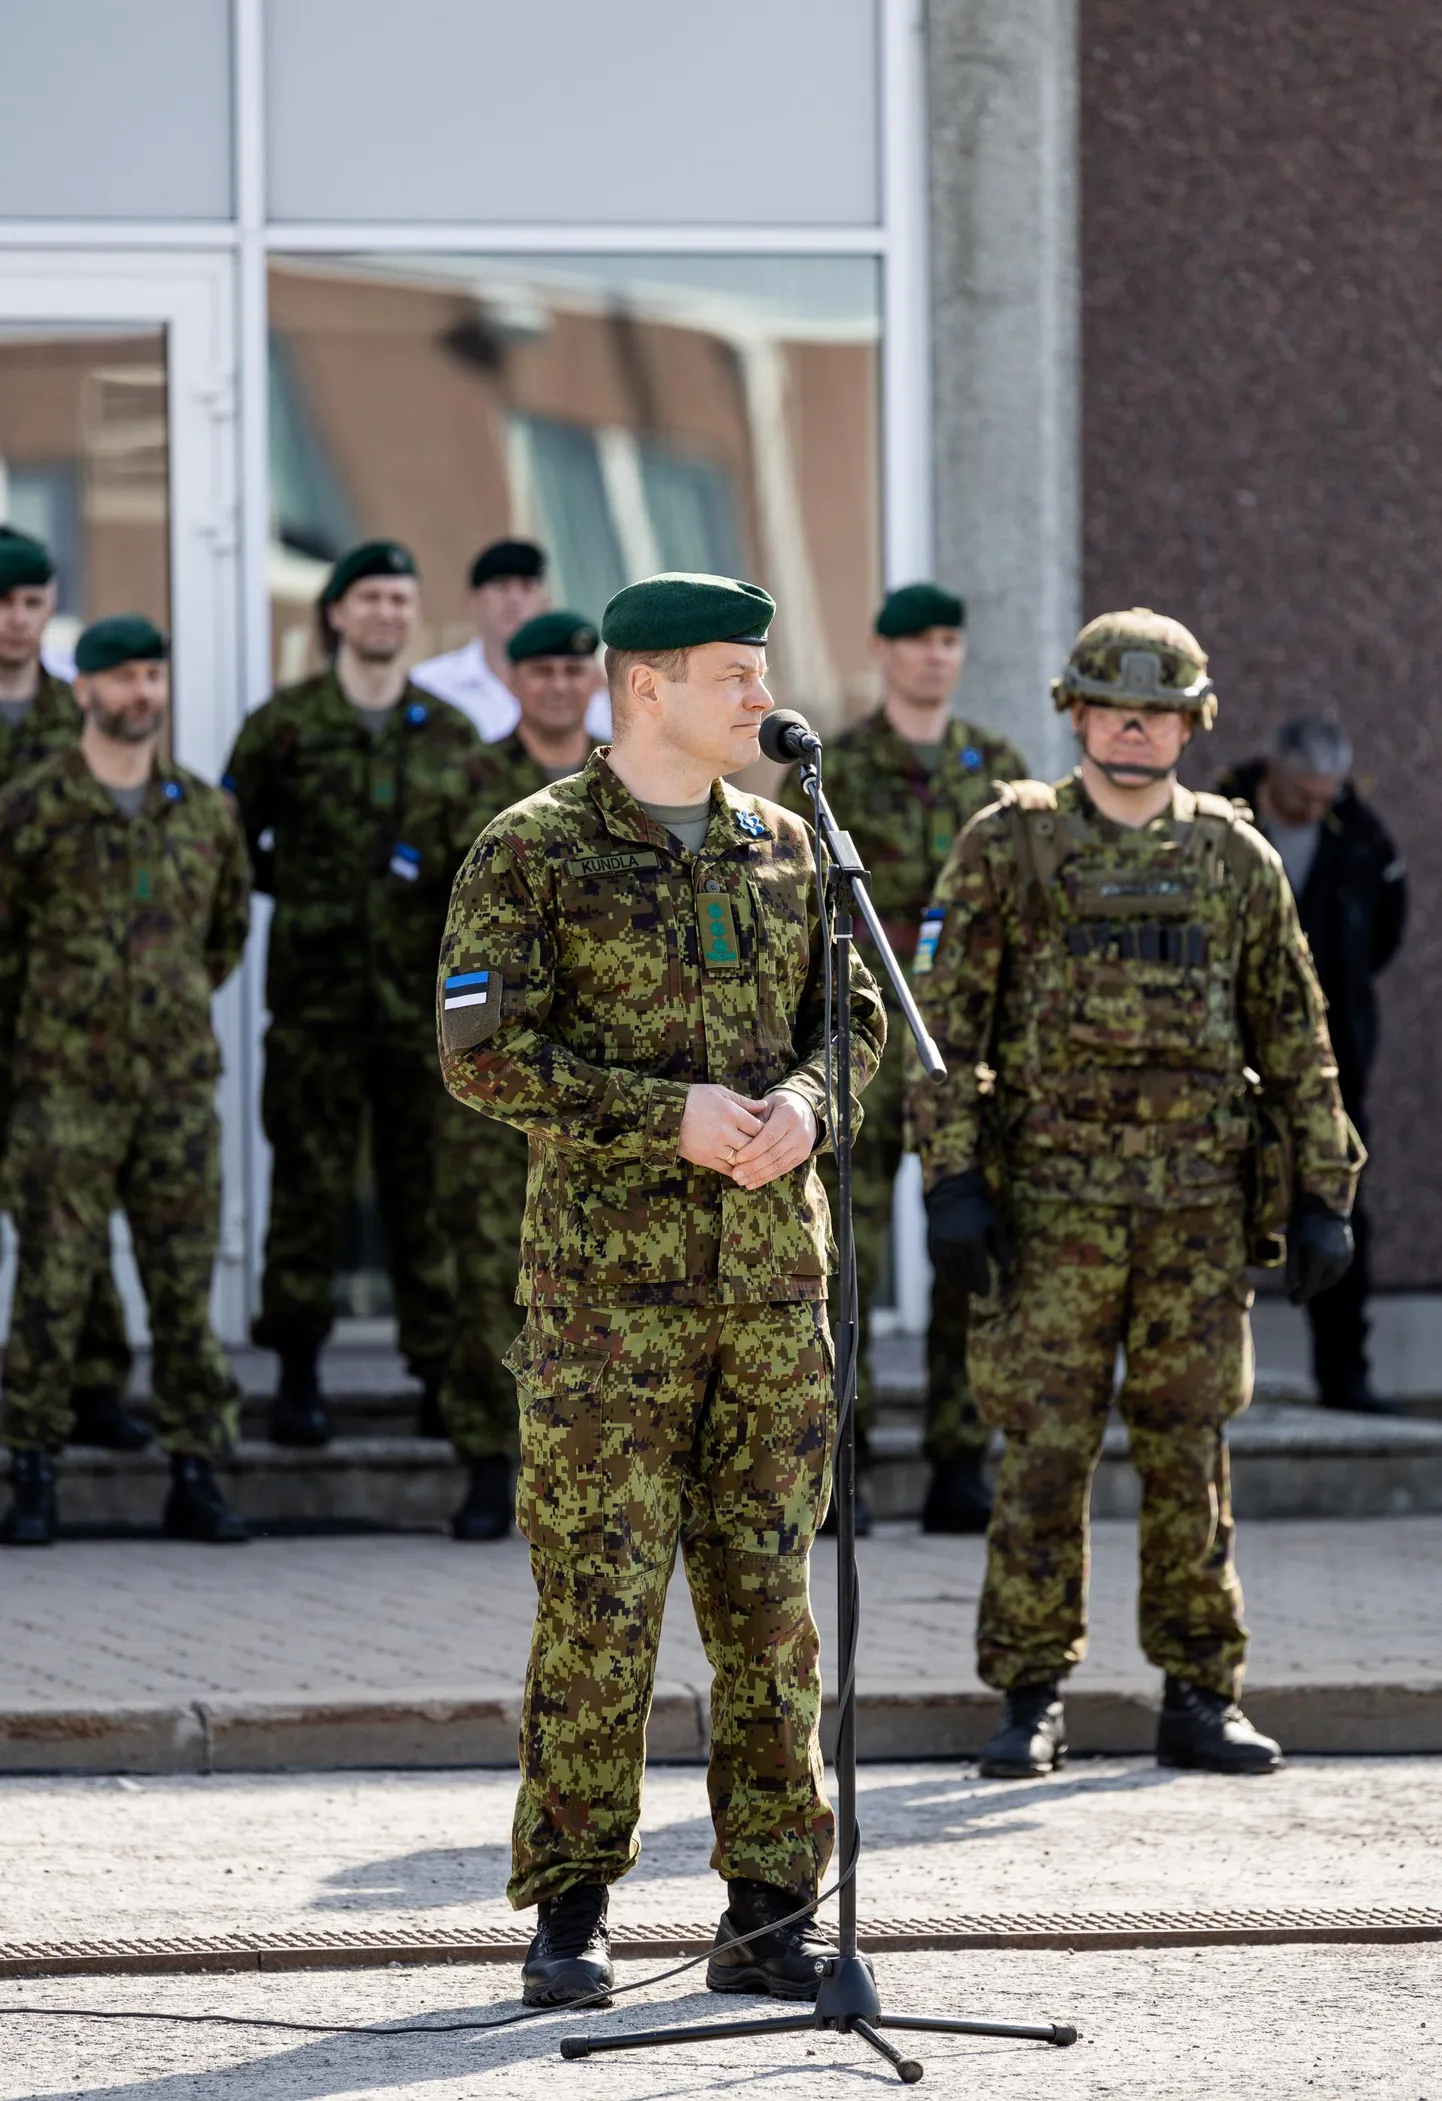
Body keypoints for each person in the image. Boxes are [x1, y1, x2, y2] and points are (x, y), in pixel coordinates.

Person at [438, 571, 885, 2007]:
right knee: (600, 1607)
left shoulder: (789, 840)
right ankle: (569, 1913)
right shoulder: (533, 849)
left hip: (768, 1293)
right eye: (732, 676)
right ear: (645, 688)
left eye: (760, 674)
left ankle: (769, 1916)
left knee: (770, 1608)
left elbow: (855, 1016)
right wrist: (663, 1114)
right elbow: (478, 1053)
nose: (764, 699)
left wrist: (812, 1105)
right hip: (604, 1308)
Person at [911, 608, 1360, 1780]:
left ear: (1189, 724)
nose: (1130, 727)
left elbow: (1296, 1032)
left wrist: (1325, 1187)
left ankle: (1198, 1691)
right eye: (1110, 706)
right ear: (1071, 713)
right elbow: (942, 1026)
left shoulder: (1231, 857)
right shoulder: (1007, 845)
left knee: (1187, 1448)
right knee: (1042, 1452)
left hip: (1195, 1214)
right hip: (1050, 1206)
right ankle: (1027, 1690)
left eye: (1155, 711)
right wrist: (950, 1177)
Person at [224, 541, 490, 1445]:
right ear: (335, 612)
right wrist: (297, 890)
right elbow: (226, 845)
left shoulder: (450, 735)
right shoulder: (283, 727)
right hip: (316, 1003)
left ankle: (435, 1373)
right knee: (309, 1187)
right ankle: (297, 1371)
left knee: (428, 1191)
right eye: (369, 596)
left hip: (424, 1014)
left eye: (400, 597)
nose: (385, 612)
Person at [780, 582, 1026, 1535]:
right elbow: (789, 902)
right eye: (916, 642)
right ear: (882, 654)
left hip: (962, 1045)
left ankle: (959, 1457)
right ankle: (847, 1458)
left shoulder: (995, 768)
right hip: (861, 1038)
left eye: (948, 641)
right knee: (846, 1254)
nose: (935, 657)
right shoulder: (828, 772)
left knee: (966, 1245)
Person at [0, 616, 251, 1546]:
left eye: (154, 675)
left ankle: (197, 1472)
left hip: (176, 1089)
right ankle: (31, 1468)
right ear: (85, 691)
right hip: (63, 1087)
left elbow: (221, 937)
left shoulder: (202, 809)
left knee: (182, 1284)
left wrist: (161, 1008)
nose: (142, 693)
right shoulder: (31, 808)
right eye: (123, 678)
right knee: (51, 1282)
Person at [438, 609, 604, 1541]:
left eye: (571, 668)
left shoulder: (623, 785)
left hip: (597, 1078)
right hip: (494, 1069)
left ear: (595, 680)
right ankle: (484, 1455)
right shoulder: (465, 784)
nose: (555, 683)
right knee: (482, 1260)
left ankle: (571, 1455)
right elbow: (415, 919)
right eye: (538, 668)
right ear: (511, 677)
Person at [1219, 718, 1406, 1414]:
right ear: (1273, 771)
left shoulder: (1359, 833)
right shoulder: (1226, 815)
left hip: (1333, 1051)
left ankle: (1344, 1373)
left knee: (1334, 1199)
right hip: (1230, 1043)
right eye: (1301, 796)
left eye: (1326, 795)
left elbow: (1387, 923)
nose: (1314, 810)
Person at [0, 529, 140, 1449]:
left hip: (59, 1000)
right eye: (5, 604)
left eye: (31, 603)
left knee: (64, 1192)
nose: (17, 621)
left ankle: (94, 1380)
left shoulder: (72, 711)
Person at [412, 537, 611, 742]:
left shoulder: (583, 685)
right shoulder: (430, 685)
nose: (514, 600)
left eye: (527, 587)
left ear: (545, 601)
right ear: (472, 600)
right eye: (501, 586)